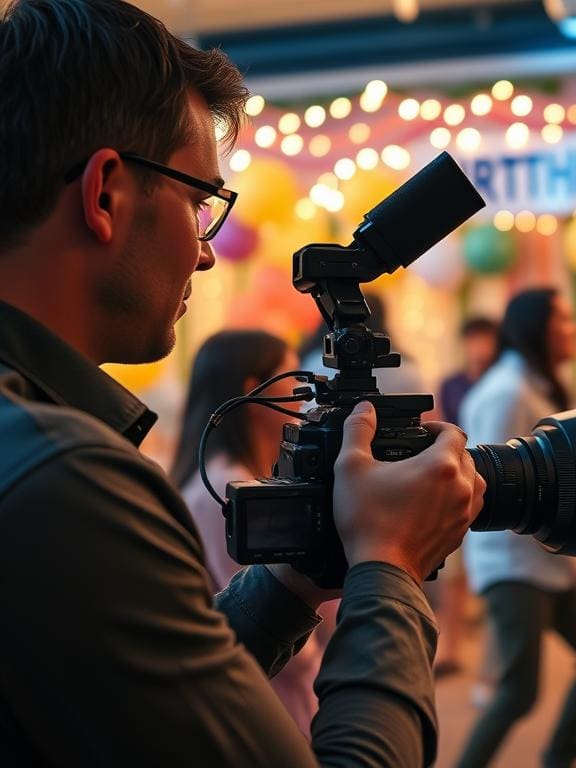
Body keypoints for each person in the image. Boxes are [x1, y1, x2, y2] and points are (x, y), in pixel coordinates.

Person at [0, 2, 484, 765]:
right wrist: (390, 565)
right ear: (104, 195)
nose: (205, 254)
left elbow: (149, 706)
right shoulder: (65, 481)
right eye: (199, 204)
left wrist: (294, 583)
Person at [456, 288, 576, 768]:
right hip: (511, 565)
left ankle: (559, 758)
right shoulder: (507, 392)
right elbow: (491, 492)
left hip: (544, 561)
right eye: (566, 318)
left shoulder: (532, 385)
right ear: (538, 328)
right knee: (518, 691)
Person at [171, 330, 325, 738]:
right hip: (270, 694)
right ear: (251, 391)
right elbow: (259, 607)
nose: (304, 398)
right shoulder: (224, 488)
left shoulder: (242, 477)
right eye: (293, 382)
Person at [432, 315, 499, 679]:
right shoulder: (451, 383)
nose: (479, 346)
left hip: (496, 478)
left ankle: (491, 655)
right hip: (459, 476)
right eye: (473, 338)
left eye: (484, 338)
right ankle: (452, 647)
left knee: (491, 573)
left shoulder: (502, 381)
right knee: (453, 573)